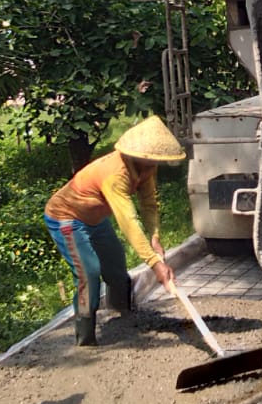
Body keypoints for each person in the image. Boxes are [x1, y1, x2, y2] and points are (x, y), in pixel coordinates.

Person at [44, 116, 185, 346]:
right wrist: (155, 263)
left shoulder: (146, 167)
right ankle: (85, 338)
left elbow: (149, 202)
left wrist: (155, 237)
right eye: (151, 162)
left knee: (116, 265)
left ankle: (125, 317)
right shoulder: (116, 174)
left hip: (96, 219)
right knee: (89, 272)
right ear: (137, 155)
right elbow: (128, 221)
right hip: (67, 218)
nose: (154, 167)